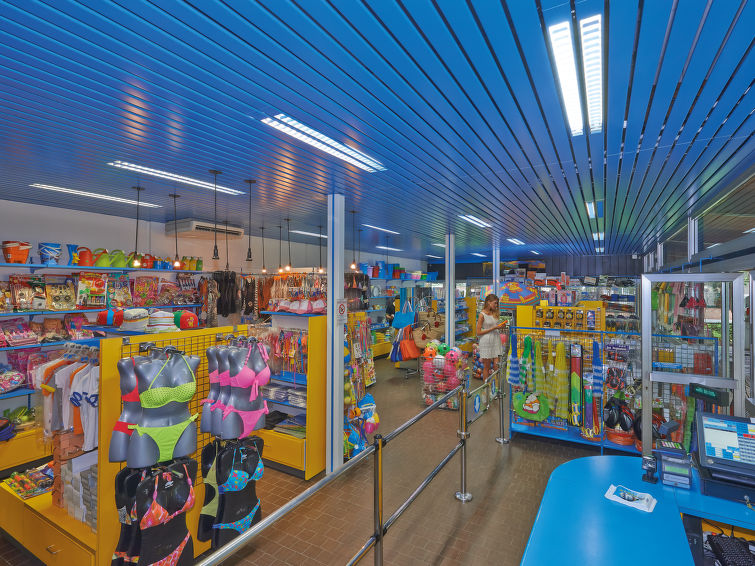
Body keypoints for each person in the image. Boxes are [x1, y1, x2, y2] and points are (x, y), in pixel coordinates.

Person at [475, 294, 507, 381]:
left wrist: (501, 327)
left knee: (497, 365)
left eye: (497, 303)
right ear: (488, 302)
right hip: (486, 341)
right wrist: (493, 328)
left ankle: (497, 386)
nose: (496, 305)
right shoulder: (482, 315)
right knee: (487, 366)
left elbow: (496, 326)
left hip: (496, 339)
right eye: (495, 303)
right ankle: (486, 386)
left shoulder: (495, 313)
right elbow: (478, 332)